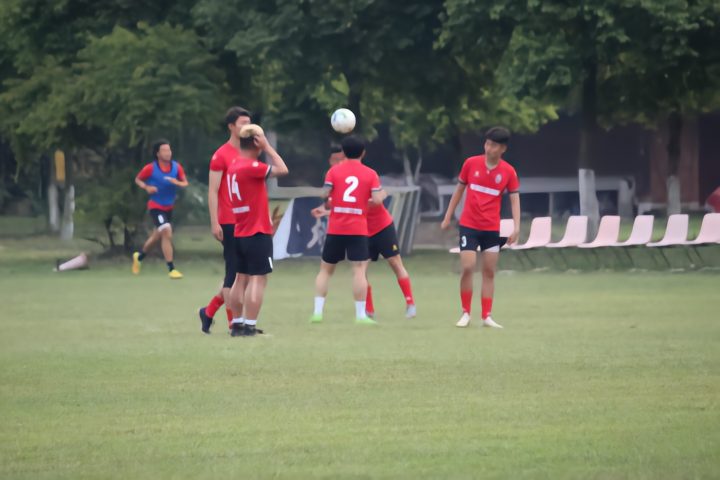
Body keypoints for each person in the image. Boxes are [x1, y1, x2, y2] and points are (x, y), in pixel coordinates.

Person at [311, 149, 416, 319]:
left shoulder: (364, 176)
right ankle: (368, 310)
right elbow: (343, 205)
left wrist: (380, 195)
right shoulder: (339, 178)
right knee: (361, 270)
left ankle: (410, 303)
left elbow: (369, 203)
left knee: (395, 263)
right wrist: (325, 209)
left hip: (382, 227)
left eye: (337, 159)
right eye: (332, 160)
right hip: (362, 231)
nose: (334, 163)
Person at [441, 127, 520, 328]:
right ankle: (465, 313)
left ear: (502, 149)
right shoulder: (470, 163)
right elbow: (458, 192)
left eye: (493, 145)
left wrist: (516, 227)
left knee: (489, 271)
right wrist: (447, 217)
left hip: (491, 228)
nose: (488, 148)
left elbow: (515, 200)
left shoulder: (508, 172)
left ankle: (487, 317)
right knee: (468, 267)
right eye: (487, 143)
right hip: (469, 225)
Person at [310, 136, 387, 324]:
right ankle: (360, 315)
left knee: (325, 270)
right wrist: (368, 200)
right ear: (363, 153)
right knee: (359, 271)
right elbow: (377, 200)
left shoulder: (334, 171)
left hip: (336, 228)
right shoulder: (370, 173)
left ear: (343, 153)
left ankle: (317, 313)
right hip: (358, 229)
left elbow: (324, 193)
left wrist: (333, 200)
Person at [226, 124, 288, 337]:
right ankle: (250, 327)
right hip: (256, 232)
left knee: (240, 278)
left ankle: (237, 325)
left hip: (240, 231)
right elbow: (283, 169)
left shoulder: (234, 165)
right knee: (258, 278)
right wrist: (269, 148)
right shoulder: (251, 166)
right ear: (256, 141)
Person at [198, 107, 252, 334]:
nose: (247, 127)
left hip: (248, 221)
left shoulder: (251, 152)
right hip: (229, 221)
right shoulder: (221, 155)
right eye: (242, 123)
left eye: (249, 122)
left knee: (244, 274)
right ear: (231, 127)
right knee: (234, 273)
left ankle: (209, 311)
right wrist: (214, 221)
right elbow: (212, 191)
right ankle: (234, 323)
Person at [132, 140, 188, 279]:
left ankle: (139, 257)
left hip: (169, 207)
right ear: (158, 154)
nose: (167, 153)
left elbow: (185, 183)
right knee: (167, 232)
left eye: (169, 150)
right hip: (156, 206)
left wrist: (177, 182)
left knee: (156, 236)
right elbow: (138, 179)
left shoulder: (176, 167)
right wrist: (147, 187)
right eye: (164, 150)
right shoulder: (150, 168)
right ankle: (171, 269)